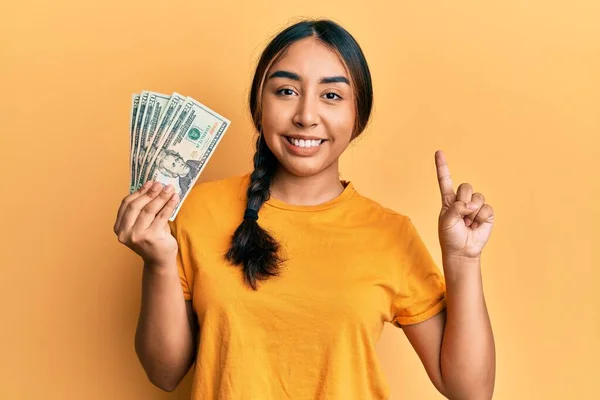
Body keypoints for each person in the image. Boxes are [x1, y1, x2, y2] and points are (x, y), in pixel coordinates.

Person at [113, 19, 496, 400]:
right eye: (286, 91)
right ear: (258, 107)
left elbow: (469, 390)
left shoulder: (390, 233)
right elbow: (164, 373)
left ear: (358, 117)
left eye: (331, 96)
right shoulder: (196, 211)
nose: (306, 115)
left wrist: (462, 259)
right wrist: (158, 263)